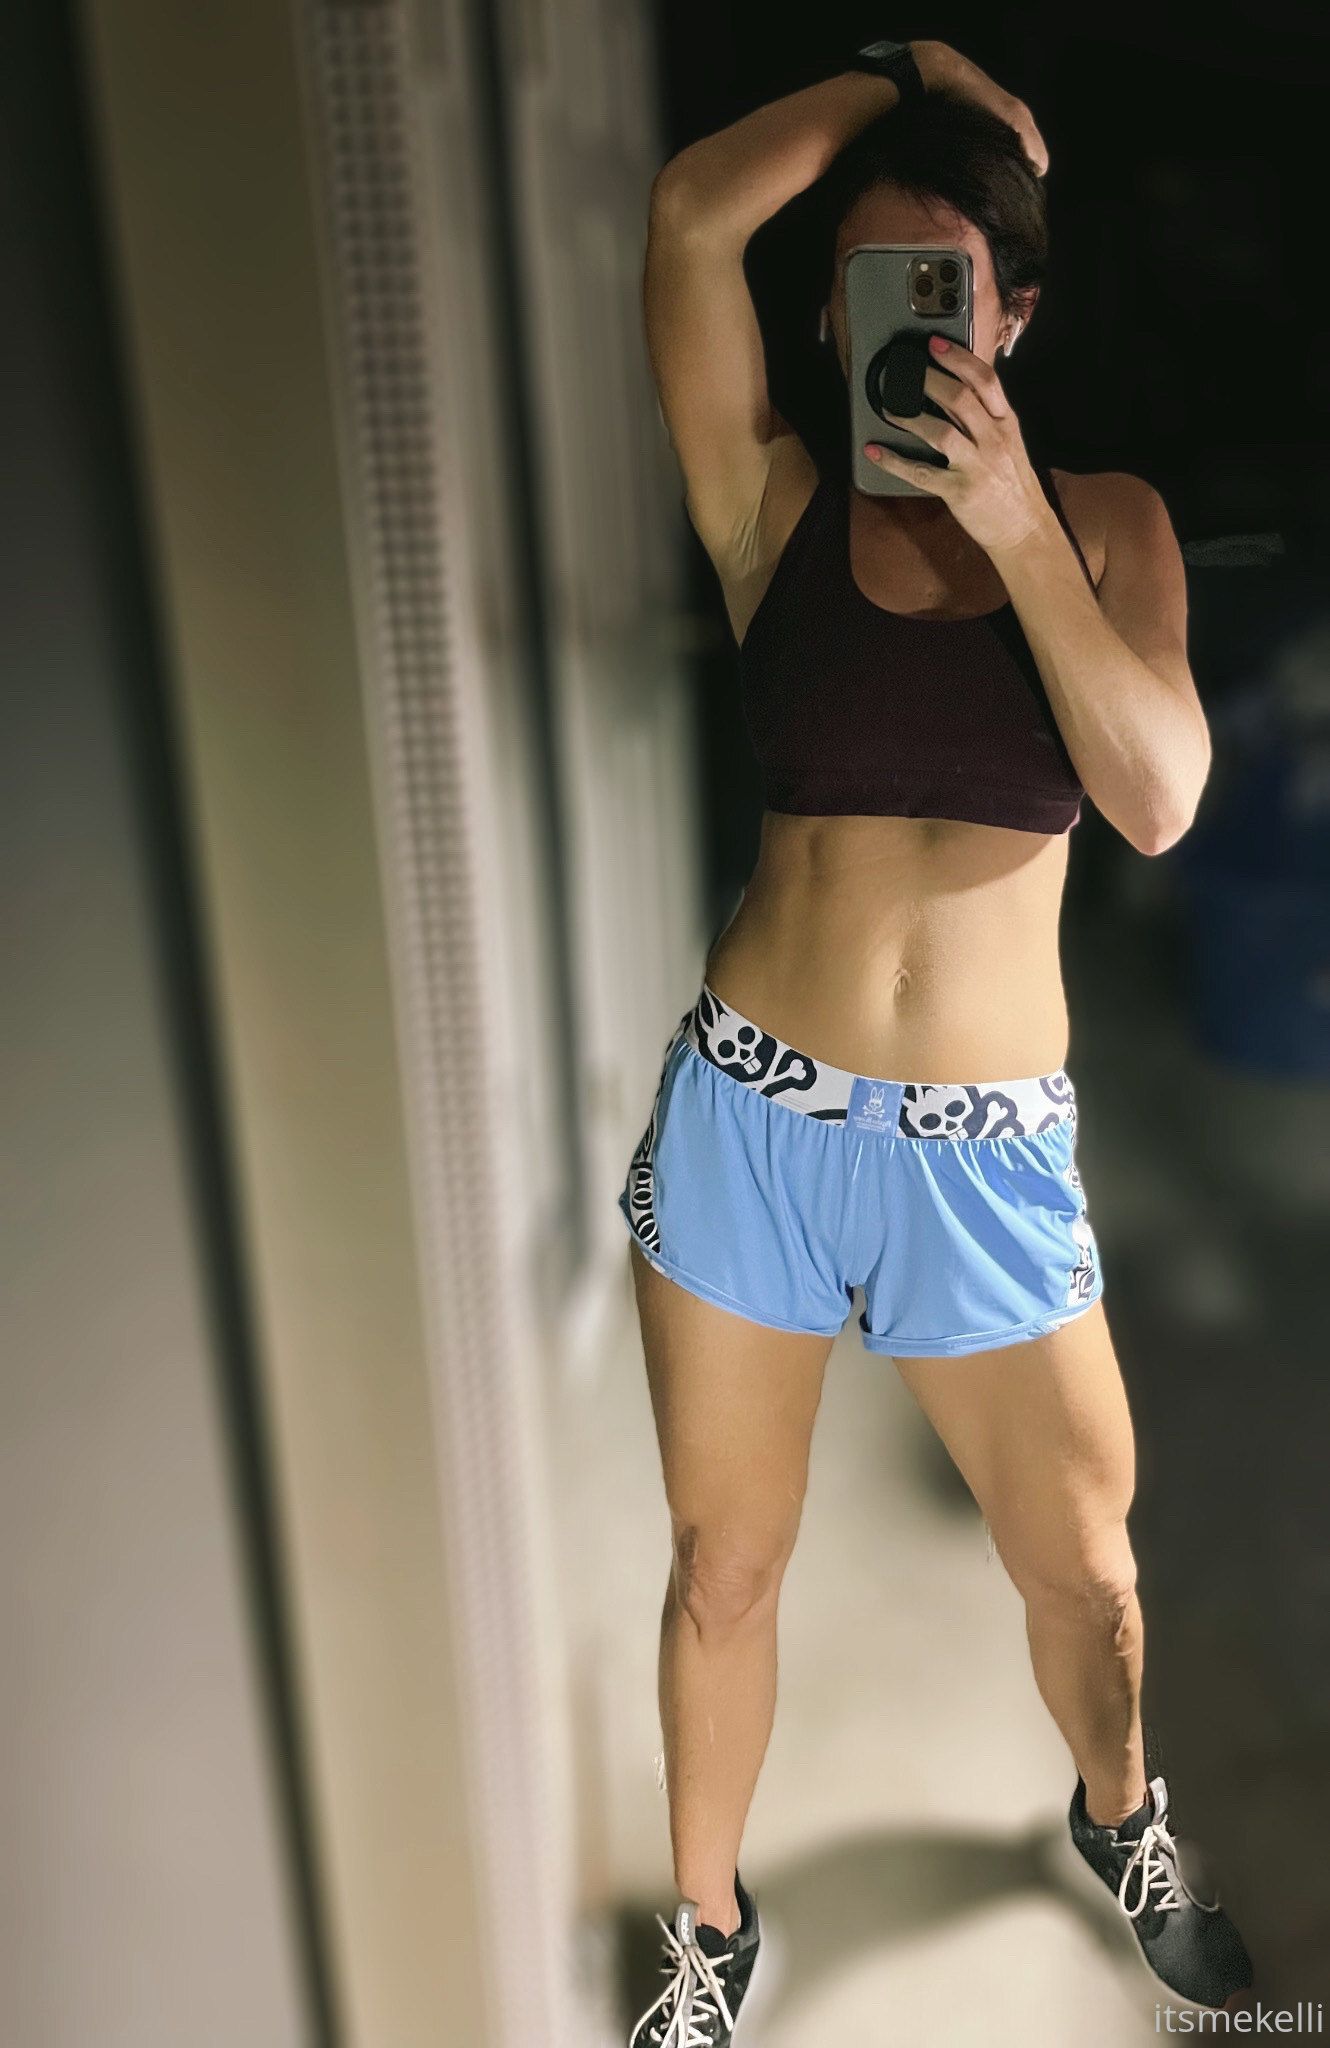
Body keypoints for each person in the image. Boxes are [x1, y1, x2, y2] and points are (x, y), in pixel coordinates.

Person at [619, 36, 1254, 2047]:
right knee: (722, 1570)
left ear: (1014, 316)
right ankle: (705, 1933)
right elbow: (688, 217)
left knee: (1088, 1575)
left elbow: (1155, 797)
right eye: (876, 283)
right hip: (752, 1122)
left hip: (983, 1155)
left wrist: (1013, 532)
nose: (912, 323)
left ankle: (1118, 1814)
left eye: (953, 289)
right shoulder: (770, 502)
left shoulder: (1106, 525)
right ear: (831, 312)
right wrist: (897, 72)